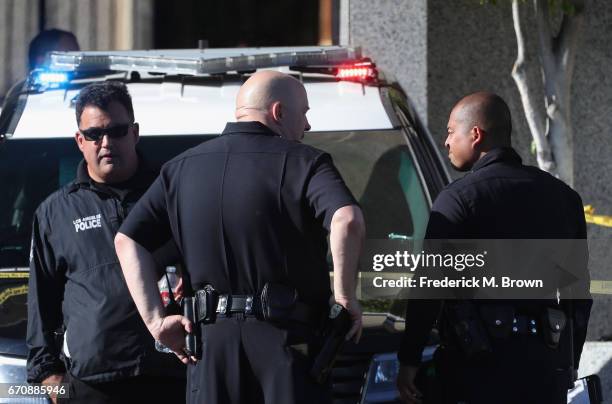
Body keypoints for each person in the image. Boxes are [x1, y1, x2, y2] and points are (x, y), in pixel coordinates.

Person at [114, 70, 365, 404]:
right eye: (304, 113)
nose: (307, 126)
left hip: (210, 350)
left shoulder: (179, 169)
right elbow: (347, 219)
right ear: (278, 112)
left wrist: (156, 321)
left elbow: (127, 241)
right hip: (287, 348)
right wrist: (345, 297)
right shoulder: (306, 162)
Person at [396, 92, 592, 404]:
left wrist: (409, 360)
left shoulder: (458, 199)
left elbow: (429, 287)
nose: (446, 142)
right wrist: (568, 363)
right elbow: (578, 293)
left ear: (475, 135)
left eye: (450, 132)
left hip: (476, 368)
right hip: (543, 368)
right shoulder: (564, 198)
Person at [26, 81, 185, 403]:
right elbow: (42, 301)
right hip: (93, 383)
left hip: (174, 372)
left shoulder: (173, 194)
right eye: (95, 134)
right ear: (79, 140)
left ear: (135, 132)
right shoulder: (55, 212)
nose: (106, 142)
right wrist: (48, 375)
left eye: (117, 131)